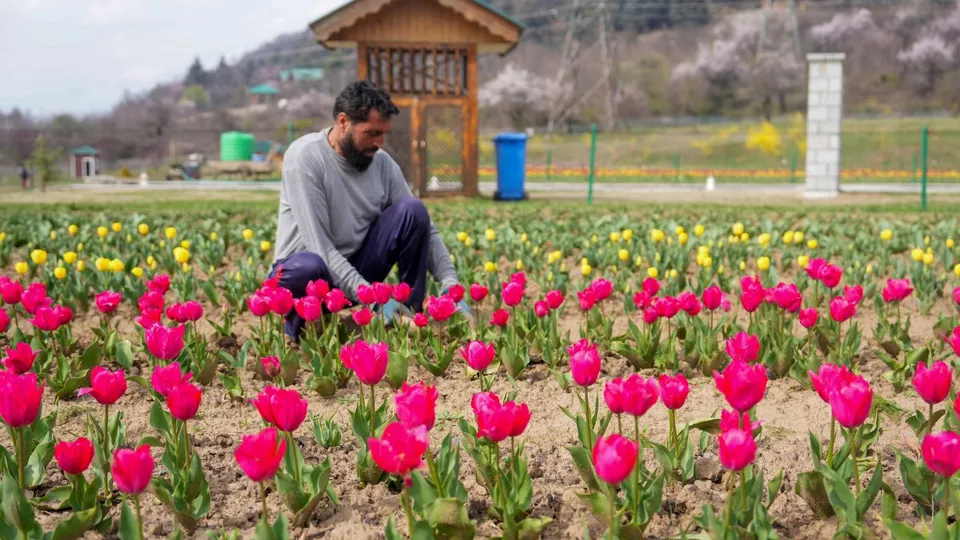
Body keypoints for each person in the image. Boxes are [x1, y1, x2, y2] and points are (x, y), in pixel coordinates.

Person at [269, 80, 469, 341]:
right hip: (302, 272)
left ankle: (407, 315)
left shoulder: (382, 164)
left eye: (383, 133)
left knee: (412, 210)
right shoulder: (306, 158)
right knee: (310, 266)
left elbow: (426, 231)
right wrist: (373, 299)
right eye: (372, 133)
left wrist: (450, 284)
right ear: (343, 122)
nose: (380, 143)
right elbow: (320, 248)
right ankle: (305, 329)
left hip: (354, 267)